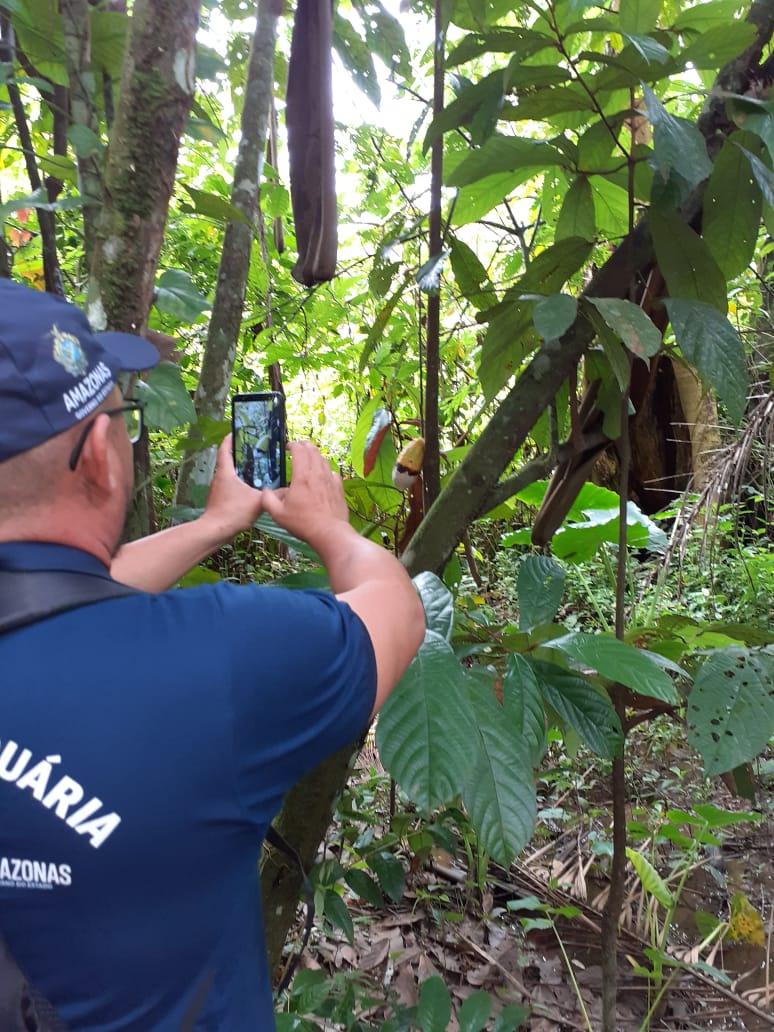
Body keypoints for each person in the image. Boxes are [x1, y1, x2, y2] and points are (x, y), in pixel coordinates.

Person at [0, 280, 425, 1030]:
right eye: (121, 423)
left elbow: (50, 595)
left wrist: (212, 526)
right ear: (101, 455)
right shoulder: (219, 659)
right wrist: (333, 530)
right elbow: (395, 610)